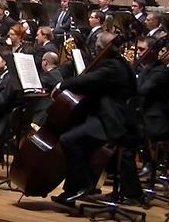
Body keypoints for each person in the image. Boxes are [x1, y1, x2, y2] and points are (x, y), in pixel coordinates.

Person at [51, 32, 139, 206]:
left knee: (69, 140)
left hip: (112, 122)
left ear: (101, 48)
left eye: (97, 48)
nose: (95, 51)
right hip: (118, 118)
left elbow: (89, 80)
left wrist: (62, 84)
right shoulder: (122, 64)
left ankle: (81, 186)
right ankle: (73, 190)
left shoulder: (111, 66)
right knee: (77, 138)